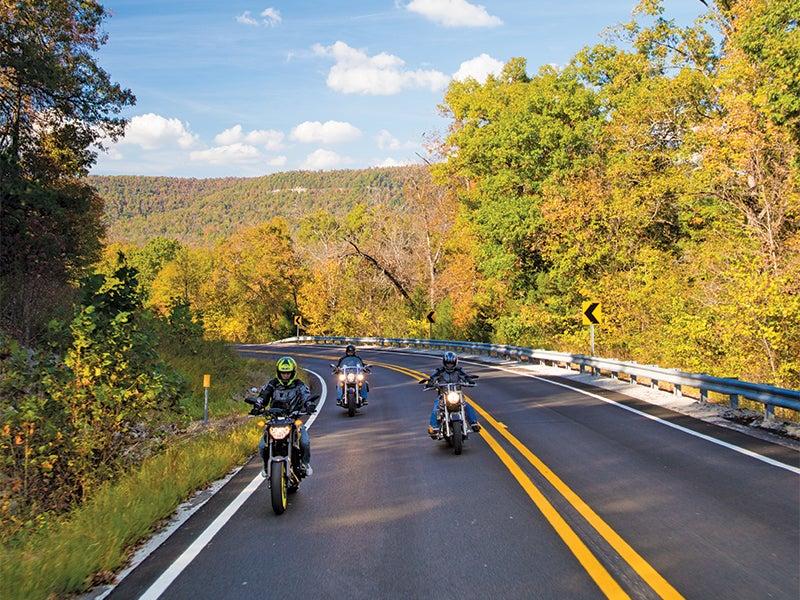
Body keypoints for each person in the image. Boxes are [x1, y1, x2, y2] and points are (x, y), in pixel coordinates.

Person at [251, 356, 315, 477]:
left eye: (288, 373)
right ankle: (265, 466)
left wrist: (309, 404)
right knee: (261, 445)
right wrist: (257, 405)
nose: (285, 375)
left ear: (293, 372)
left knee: (305, 442)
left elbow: (306, 395)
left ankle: (305, 464)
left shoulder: (299, 384)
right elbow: (263, 396)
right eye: (283, 373)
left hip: (293, 419)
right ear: (278, 372)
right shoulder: (272, 384)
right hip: (274, 420)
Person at [425, 351, 481, 438]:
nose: (449, 365)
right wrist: (430, 383)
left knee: (467, 406)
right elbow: (432, 378)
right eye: (448, 363)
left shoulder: (459, 371)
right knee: (436, 407)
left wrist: (470, 380)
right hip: (443, 395)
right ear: (444, 363)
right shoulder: (439, 371)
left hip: (457, 395)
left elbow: (465, 376)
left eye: (451, 363)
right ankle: (434, 427)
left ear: (455, 363)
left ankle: (474, 423)